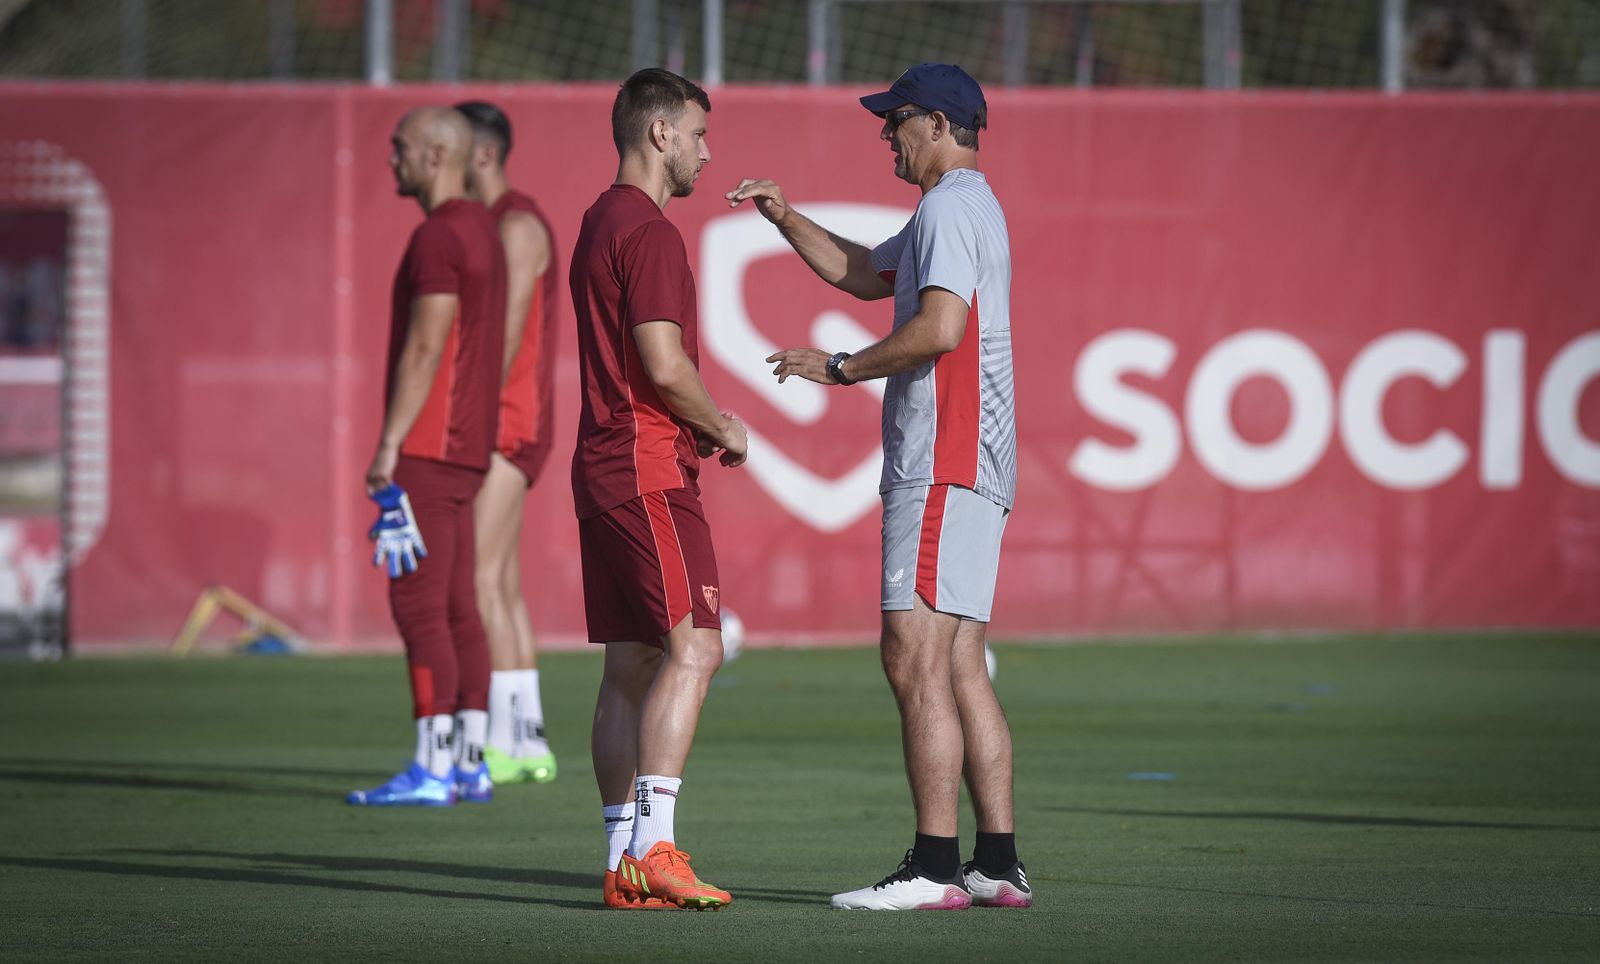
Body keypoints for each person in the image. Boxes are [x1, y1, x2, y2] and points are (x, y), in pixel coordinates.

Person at [727, 63, 1030, 910]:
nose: (885, 134)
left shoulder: (946, 208)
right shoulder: (971, 206)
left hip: (941, 460)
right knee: (961, 661)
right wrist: (784, 215)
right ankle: (996, 863)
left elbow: (937, 330)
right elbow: (865, 274)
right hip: (975, 462)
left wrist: (840, 366)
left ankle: (934, 870)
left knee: (911, 659)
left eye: (894, 120)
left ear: (935, 123)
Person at [571, 67, 747, 911]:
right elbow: (664, 363)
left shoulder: (597, 220)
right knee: (696, 648)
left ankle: (620, 857)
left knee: (630, 665)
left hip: (602, 469)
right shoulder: (648, 231)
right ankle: (655, 847)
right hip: (646, 468)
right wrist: (723, 427)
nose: (709, 154)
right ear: (661, 133)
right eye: (700, 134)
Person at [347, 107, 506, 807]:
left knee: (418, 604)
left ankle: (433, 765)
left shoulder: (440, 234)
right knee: (458, 604)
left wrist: (387, 440)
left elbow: (425, 344)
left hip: (427, 446)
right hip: (466, 447)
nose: (392, 159)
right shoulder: (484, 231)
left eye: (400, 147)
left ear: (438, 152)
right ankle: (469, 760)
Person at [456, 100, 560, 787]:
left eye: (450, 147)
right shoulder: (494, 224)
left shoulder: (516, 225)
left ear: (484, 154)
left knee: (481, 579)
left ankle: (502, 737)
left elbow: (507, 331)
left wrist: (468, 417)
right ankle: (525, 740)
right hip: (507, 420)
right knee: (505, 584)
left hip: (504, 422)